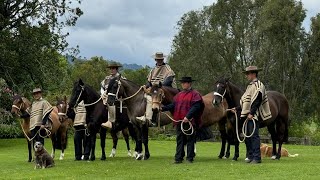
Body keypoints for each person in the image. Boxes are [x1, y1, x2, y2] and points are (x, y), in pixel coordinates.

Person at [231, 66, 271, 164]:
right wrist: (237, 108)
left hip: (253, 115)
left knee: (254, 136)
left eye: (248, 74)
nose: (247, 76)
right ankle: (250, 155)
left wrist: (251, 113)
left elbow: (257, 101)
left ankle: (257, 157)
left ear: (253, 74)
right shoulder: (250, 86)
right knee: (247, 136)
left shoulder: (258, 85)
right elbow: (246, 101)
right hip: (247, 115)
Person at [161, 76, 204, 164]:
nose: (183, 84)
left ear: (189, 83)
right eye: (182, 83)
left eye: (185, 82)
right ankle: (178, 158)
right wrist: (162, 109)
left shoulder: (195, 94)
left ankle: (189, 158)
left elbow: (196, 107)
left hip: (189, 121)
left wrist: (187, 117)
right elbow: (173, 105)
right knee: (180, 139)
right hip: (179, 120)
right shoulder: (178, 95)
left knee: (190, 139)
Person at [137, 52, 176, 124]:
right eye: (158, 59)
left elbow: (169, 80)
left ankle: (152, 119)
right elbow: (149, 81)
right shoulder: (153, 70)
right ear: (155, 60)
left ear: (163, 59)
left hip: (163, 88)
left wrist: (159, 87)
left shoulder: (167, 68)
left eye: (160, 59)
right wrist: (146, 86)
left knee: (153, 99)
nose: (159, 61)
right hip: (154, 88)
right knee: (143, 96)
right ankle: (142, 115)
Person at [100, 62, 126, 129]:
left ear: (116, 69)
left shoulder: (121, 78)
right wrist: (103, 94)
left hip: (116, 97)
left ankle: (110, 121)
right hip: (105, 96)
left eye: (113, 68)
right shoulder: (106, 79)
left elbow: (124, 89)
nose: (111, 70)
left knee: (110, 102)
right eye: (110, 68)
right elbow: (102, 87)